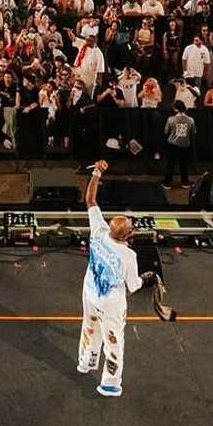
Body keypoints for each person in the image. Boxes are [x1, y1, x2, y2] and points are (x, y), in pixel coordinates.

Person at [78, 159, 155, 397]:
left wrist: (96, 173)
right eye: (131, 227)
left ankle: (87, 362)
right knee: (113, 341)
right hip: (110, 303)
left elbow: (90, 200)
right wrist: (148, 278)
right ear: (127, 235)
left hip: (90, 291)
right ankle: (110, 384)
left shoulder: (99, 231)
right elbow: (133, 286)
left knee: (89, 328)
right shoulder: (128, 256)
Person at [161, 101, 195, 188]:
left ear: (175, 109)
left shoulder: (171, 119)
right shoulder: (191, 120)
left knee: (170, 164)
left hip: (172, 144)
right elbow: (193, 132)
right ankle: (185, 183)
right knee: (184, 164)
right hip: (185, 145)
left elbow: (166, 131)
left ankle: (167, 183)